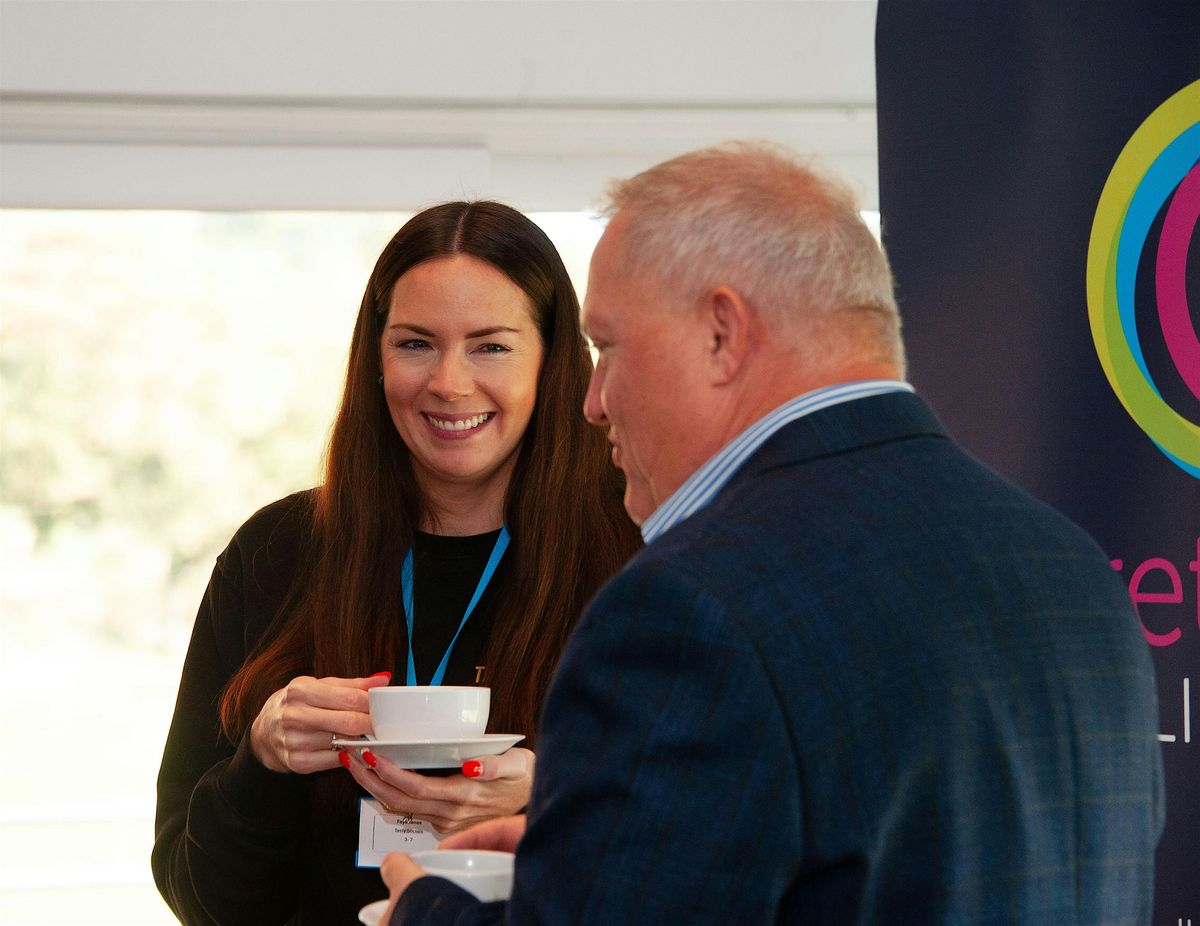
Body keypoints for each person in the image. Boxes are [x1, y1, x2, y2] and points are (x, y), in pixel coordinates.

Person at [379, 143, 1164, 924]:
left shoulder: (690, 607)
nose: (593, 400)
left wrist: (426, 910)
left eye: (608, 348)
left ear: (722, 333)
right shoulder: (1071, 567)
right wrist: (595, 861)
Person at [152, 201, 641, 925]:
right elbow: (202, 900)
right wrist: (263, 757)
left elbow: (712, 858)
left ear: (553, 361)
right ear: (375, 360)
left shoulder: (636, 558)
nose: (449, 382)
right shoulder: (276, 553)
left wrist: (551, 798)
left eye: (491, 346)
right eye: (415, 344)